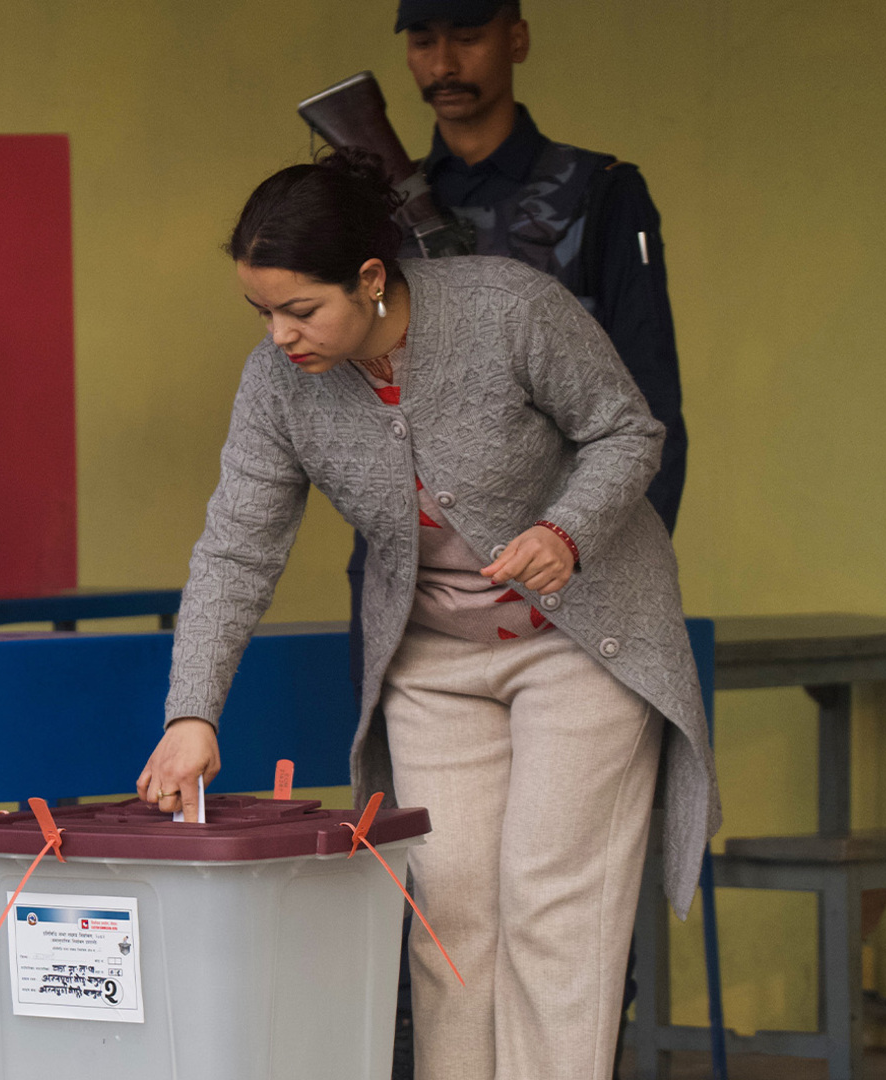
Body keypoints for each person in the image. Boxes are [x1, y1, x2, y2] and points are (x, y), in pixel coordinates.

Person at [137, 151, 719, 1079]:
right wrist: (191, 713)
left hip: (578, 642)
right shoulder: (279, 385)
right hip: (433, 662)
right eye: (263, 313)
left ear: (371, 279)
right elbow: (236, 549)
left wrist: (565, 532)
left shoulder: (508, 308)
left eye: (301, 309)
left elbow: (627, 429)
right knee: (446, 920)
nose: (282, 336)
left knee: (550, 907)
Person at [358, 5, 693, 1070]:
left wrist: (594, 574)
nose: (442, 62)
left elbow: (646, 418)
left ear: (517, 37)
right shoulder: (373, 209)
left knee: (563, 921)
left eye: (465, 33)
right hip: (434, 625)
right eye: (422, 38)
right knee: (448, 918)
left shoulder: (598, 195)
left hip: (577, 609)